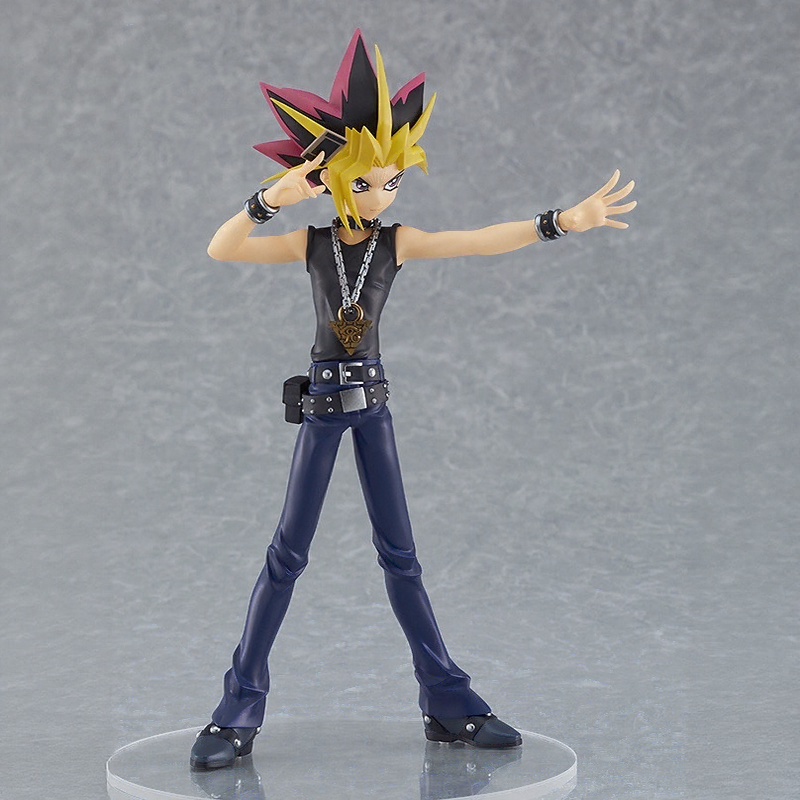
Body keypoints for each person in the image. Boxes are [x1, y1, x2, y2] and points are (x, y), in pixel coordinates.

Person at [190, 30, 635, 771]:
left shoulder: (395, 244)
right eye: (366, 181)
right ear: (331, 178)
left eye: (391, 181)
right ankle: (237, 710)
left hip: (373, 408)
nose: (381, 193)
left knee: (402, 558)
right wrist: (271, 198)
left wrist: (559, 221)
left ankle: (448, 702)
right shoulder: (310, 244)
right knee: (286, 557)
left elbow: (479, 239)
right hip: (323, 410)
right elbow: (222, 247)